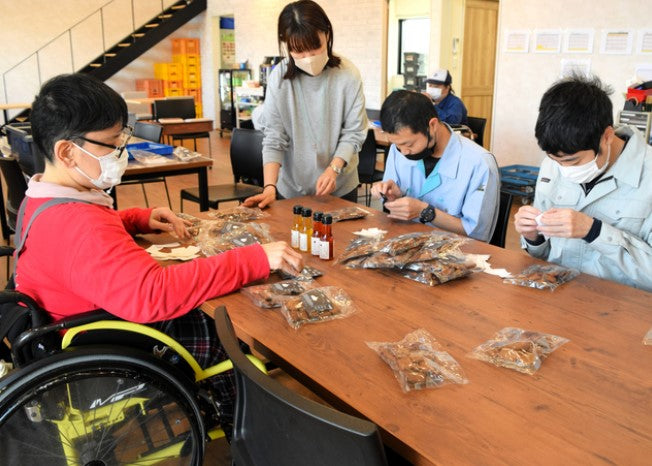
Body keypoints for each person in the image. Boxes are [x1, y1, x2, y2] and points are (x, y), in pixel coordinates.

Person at [16, 73, 303, 435]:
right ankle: (251, 431)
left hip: (67, 326)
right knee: (223, 328)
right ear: (67, 151)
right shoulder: (79, 225)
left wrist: (137, 218)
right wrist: (255, 259)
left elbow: (86, 237)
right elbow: (154, 294)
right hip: (107, 341)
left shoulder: (42, 198)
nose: (122, 154)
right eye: (111, 145)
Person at [514, 75, 652, 291]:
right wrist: (534, 237)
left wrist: (595, 231)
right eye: (555, 160)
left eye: (573, 161)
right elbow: (541, 255)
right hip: (557, 294)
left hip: (622, 308)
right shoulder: (554, 163)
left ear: (606, 136)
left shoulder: (648, 175)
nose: (565, 170)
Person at [243, 0, 367, 208]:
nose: (308, 57)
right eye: (299, 51)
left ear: (327, 34)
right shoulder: (279, 79)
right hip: (291, 188)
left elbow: (354, 133)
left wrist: (333, 169)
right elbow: (274, 137)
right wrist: (269, 186)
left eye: (315, 48)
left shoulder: (348, 75)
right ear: (286, 45)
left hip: (340, 187)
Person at [371, 90, 499, 242]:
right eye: (398, 145)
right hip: (407, 243)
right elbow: (392, 209)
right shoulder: (398, 149)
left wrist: (425, 212)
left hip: (456, 253)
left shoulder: (479, 163)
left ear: (432, 125)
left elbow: (477, 234)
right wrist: (392, 197)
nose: (404, 152)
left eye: (409, 144)